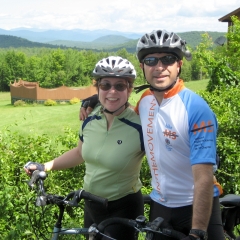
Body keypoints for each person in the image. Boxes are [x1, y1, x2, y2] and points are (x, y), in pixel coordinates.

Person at [80, 29, 224, 240]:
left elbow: (203, 178)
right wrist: (96, 99)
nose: (159, 67)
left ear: (179, 65)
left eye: (168, 59)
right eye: (151, 60)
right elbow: (121, 107)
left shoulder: (195, 109)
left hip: (198, 206)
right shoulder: (145, 100)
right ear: (142, 67)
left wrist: (198, 231)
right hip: (161, 206)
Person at [24, 56, 145, 240]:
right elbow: (80, 153)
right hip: (91, 204)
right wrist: (45, 166)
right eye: (105, 85)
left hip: (124, 207)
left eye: (120, 86)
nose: (112, 91)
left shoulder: (140, 125)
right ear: (97, 88)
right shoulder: (90, 119)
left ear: (129, 90)